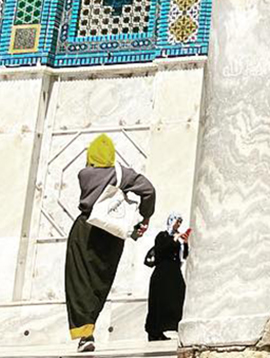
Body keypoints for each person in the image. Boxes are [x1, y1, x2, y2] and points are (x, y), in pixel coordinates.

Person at [65, 134, 156, 353]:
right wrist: (145, 216)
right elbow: (149, 190)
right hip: (111, 232)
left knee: (79, 282)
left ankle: (85, 333)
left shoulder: (83, 174)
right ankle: (91, 323)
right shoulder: (122, 174)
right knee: (101, 280)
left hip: (85, 229)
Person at [142, 212, 189, 341]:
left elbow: (184, 255)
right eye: (177, 221)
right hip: (162, 273)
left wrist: (184, 242)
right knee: (159, 301)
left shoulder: (177, 237)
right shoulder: (162, 236)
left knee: (178, 297)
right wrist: (174, 239)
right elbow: (162, 250)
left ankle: (173, 326)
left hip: (174, 272)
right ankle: (155, 331)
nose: (178, 224)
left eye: (180, 222)